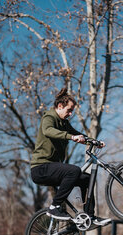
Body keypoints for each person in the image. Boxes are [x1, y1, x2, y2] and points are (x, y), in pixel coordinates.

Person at [30, 88, 111, 226]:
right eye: (69, 110)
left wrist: (94, 141)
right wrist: (71, 137)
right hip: (41, 168)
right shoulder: (49, 117)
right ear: (60, 106)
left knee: (87, 179)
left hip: (52, 168)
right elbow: (48, 131)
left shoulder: (64, 123)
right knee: (73, 170)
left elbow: (78, 134)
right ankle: (54, 207)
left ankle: (90, 216)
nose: (70, 114)